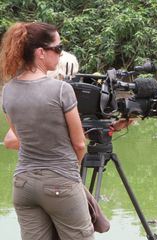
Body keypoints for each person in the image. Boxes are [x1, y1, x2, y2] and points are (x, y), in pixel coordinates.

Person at [0, 22, 94, 240]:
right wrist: (70, 170)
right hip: (60, 182)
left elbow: (19, 137)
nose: (60, 55)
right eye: (58, 49)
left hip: (23, 185)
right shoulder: (62, 89)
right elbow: (79, 144)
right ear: (41, 52)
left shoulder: (8, 90)